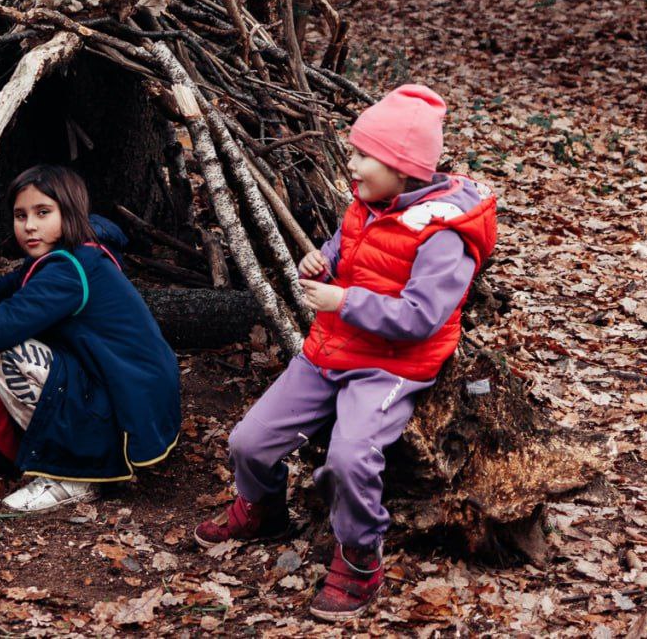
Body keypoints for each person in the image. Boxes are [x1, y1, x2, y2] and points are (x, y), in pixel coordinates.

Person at [194, 84, 497, 622]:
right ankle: (263, 509)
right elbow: (346, 247)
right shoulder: (370, 204)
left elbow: (421, 319)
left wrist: (344, 299)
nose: (351, 164)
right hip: (330, 349)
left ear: (403, 168)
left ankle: (359, 555)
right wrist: (325, 262)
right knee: (248, 442)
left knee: (349, 457)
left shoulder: (443, 235)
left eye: (362, 155)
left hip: (392, 366)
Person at [0, 165, 181, 512]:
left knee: (6, 351)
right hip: (137, 389)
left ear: (69, 212)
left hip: (128, 402)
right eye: (20, 215)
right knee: (8, 341)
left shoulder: (69, 273)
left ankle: (78, 472)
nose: (30, 226)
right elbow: (21, 278)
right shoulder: (86, 248)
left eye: (43, 213)